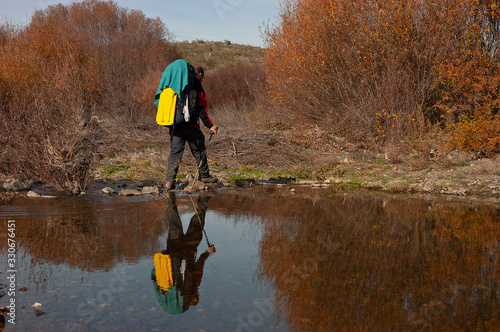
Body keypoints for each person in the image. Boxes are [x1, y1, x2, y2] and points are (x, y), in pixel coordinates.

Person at [151, 194, 215, 314]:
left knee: (198, 222)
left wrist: (208, 253)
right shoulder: (167, 287)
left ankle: (203, 198)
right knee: (174, 224)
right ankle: (169, 197)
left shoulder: (192, 286)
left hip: (189, 249)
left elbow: (198, 267)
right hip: (173, 249)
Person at [164, 65, 219, 191]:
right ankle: (204, 176)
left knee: (175, 153)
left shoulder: (177, 84)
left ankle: (169, 181)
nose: (202, 79)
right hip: (191, 126)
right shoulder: (197, 87)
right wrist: (211, 125)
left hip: (175, 126)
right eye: (202, 77)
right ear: (199, 75)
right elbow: (202, 109)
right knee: (199, 150)